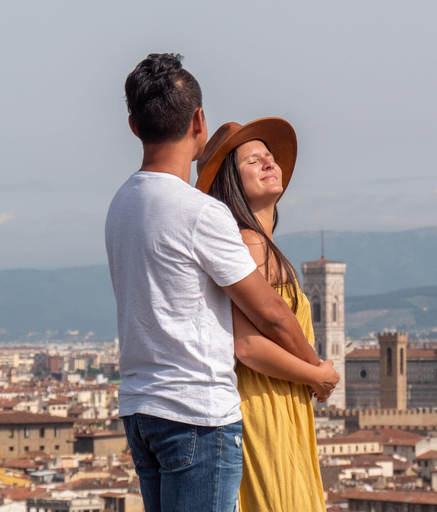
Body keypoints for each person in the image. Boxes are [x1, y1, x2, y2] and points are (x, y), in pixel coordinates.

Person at [105, 54, 337, 512]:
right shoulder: (201, 213)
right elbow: (268, 314)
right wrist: (318, 372)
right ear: (198, 121)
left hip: (141, 406)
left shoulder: (121, 205)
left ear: (134, 125)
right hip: (197, 413)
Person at [195, 118, 334, 511]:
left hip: (281, 402)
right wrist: (319, 376)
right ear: (232, 184)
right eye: (253, 161)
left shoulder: (263, 245)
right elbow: (249, 346)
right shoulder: (250, 243)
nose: (269, 163)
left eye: (269, 157)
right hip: (264, 405)